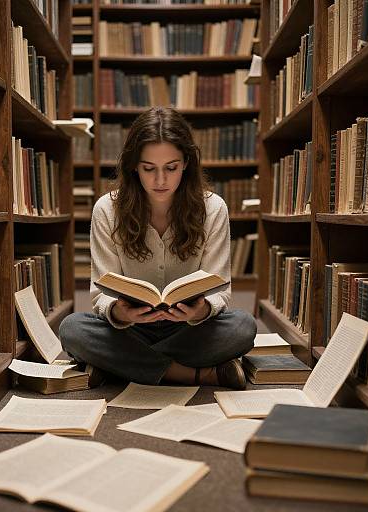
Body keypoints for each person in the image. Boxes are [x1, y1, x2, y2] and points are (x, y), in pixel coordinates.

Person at [59, 106, 256, 389]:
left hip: (190, 328)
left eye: (171, 168)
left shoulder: (213, 208)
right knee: (73, 330)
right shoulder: (108, 209)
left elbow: (220, 291)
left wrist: (199, 311)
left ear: (186, 163)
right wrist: (119, 312)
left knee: (243, 328)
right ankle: (193, 374)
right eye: (149, 169)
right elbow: (101, 293)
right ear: (134, 166)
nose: (160, 180)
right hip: (130, 329)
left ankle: (119, 367)